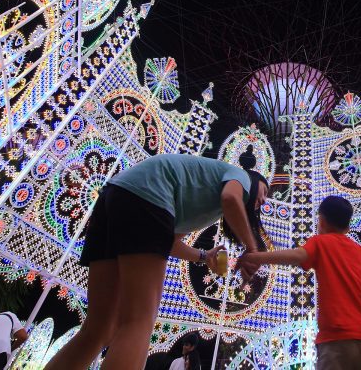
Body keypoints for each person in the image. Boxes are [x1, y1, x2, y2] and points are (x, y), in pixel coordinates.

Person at [44, 153, 269, 370]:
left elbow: (166, 241)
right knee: (139, 321)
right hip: (148, 197)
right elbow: (231, 198)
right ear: (254, 179)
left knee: (99, 329)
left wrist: (204, 256)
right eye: (265, 191)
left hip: (116, 196)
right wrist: (252, 248)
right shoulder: (240, 176)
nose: (264, 199)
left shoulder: (208, 206)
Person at [239, 195, 361, 370]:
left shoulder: (320, 242)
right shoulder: (359, 250)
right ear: (348, 226)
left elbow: (297, 256)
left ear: (321, 221)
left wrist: (257, 257)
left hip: (336, 340)